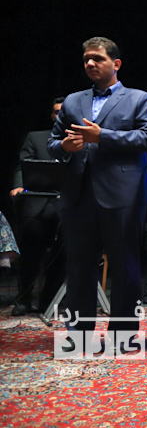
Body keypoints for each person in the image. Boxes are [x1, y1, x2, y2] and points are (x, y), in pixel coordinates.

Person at [48, 37, 147, 333]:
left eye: (97, 58)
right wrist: (65, 147)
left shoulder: (139, 98)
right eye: (86, 58)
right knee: (78, 267)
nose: (90, 63)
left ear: (116, 63)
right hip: (78, 195)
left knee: (125, 266)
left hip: (124, 196)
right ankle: (79, 334)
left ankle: (122, 335)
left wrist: (103, 136)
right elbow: (52, 142)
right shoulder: (73, 100)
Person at [9, 97, 66, 316]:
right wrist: (19, 186)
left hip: (66, 207)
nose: (60, 115)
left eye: (64, 112)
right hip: (37, 205)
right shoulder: (36, 137)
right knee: (30, 252)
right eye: (56, 112)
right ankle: (23, 300)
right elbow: (21, 166)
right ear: (52, 115)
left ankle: (48, 302)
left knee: (62, 254)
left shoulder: (80, 141)